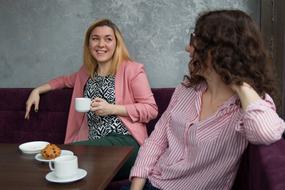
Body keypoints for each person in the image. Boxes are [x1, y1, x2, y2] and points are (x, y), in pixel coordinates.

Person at [128, 10, 285, 190]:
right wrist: (136, 187)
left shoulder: (249, 105)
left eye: (196, 40)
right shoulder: (185, 91)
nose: (188, 48)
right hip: (151, 183)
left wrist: (238, 80)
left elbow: (266, 132)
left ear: (220, 51)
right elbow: (156, 142)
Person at [25, 19, 158, 180]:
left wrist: (113, 108)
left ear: (116, 44)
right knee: (67, 168)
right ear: (88, 44)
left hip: (126, 143)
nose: (101, 44)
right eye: (95, 38)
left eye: (108, 39)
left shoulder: (132, 70)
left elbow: (151, 109)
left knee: (66, 158)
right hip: (93, 145)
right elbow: (63, 81)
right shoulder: (85, 73)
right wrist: (37, 90)